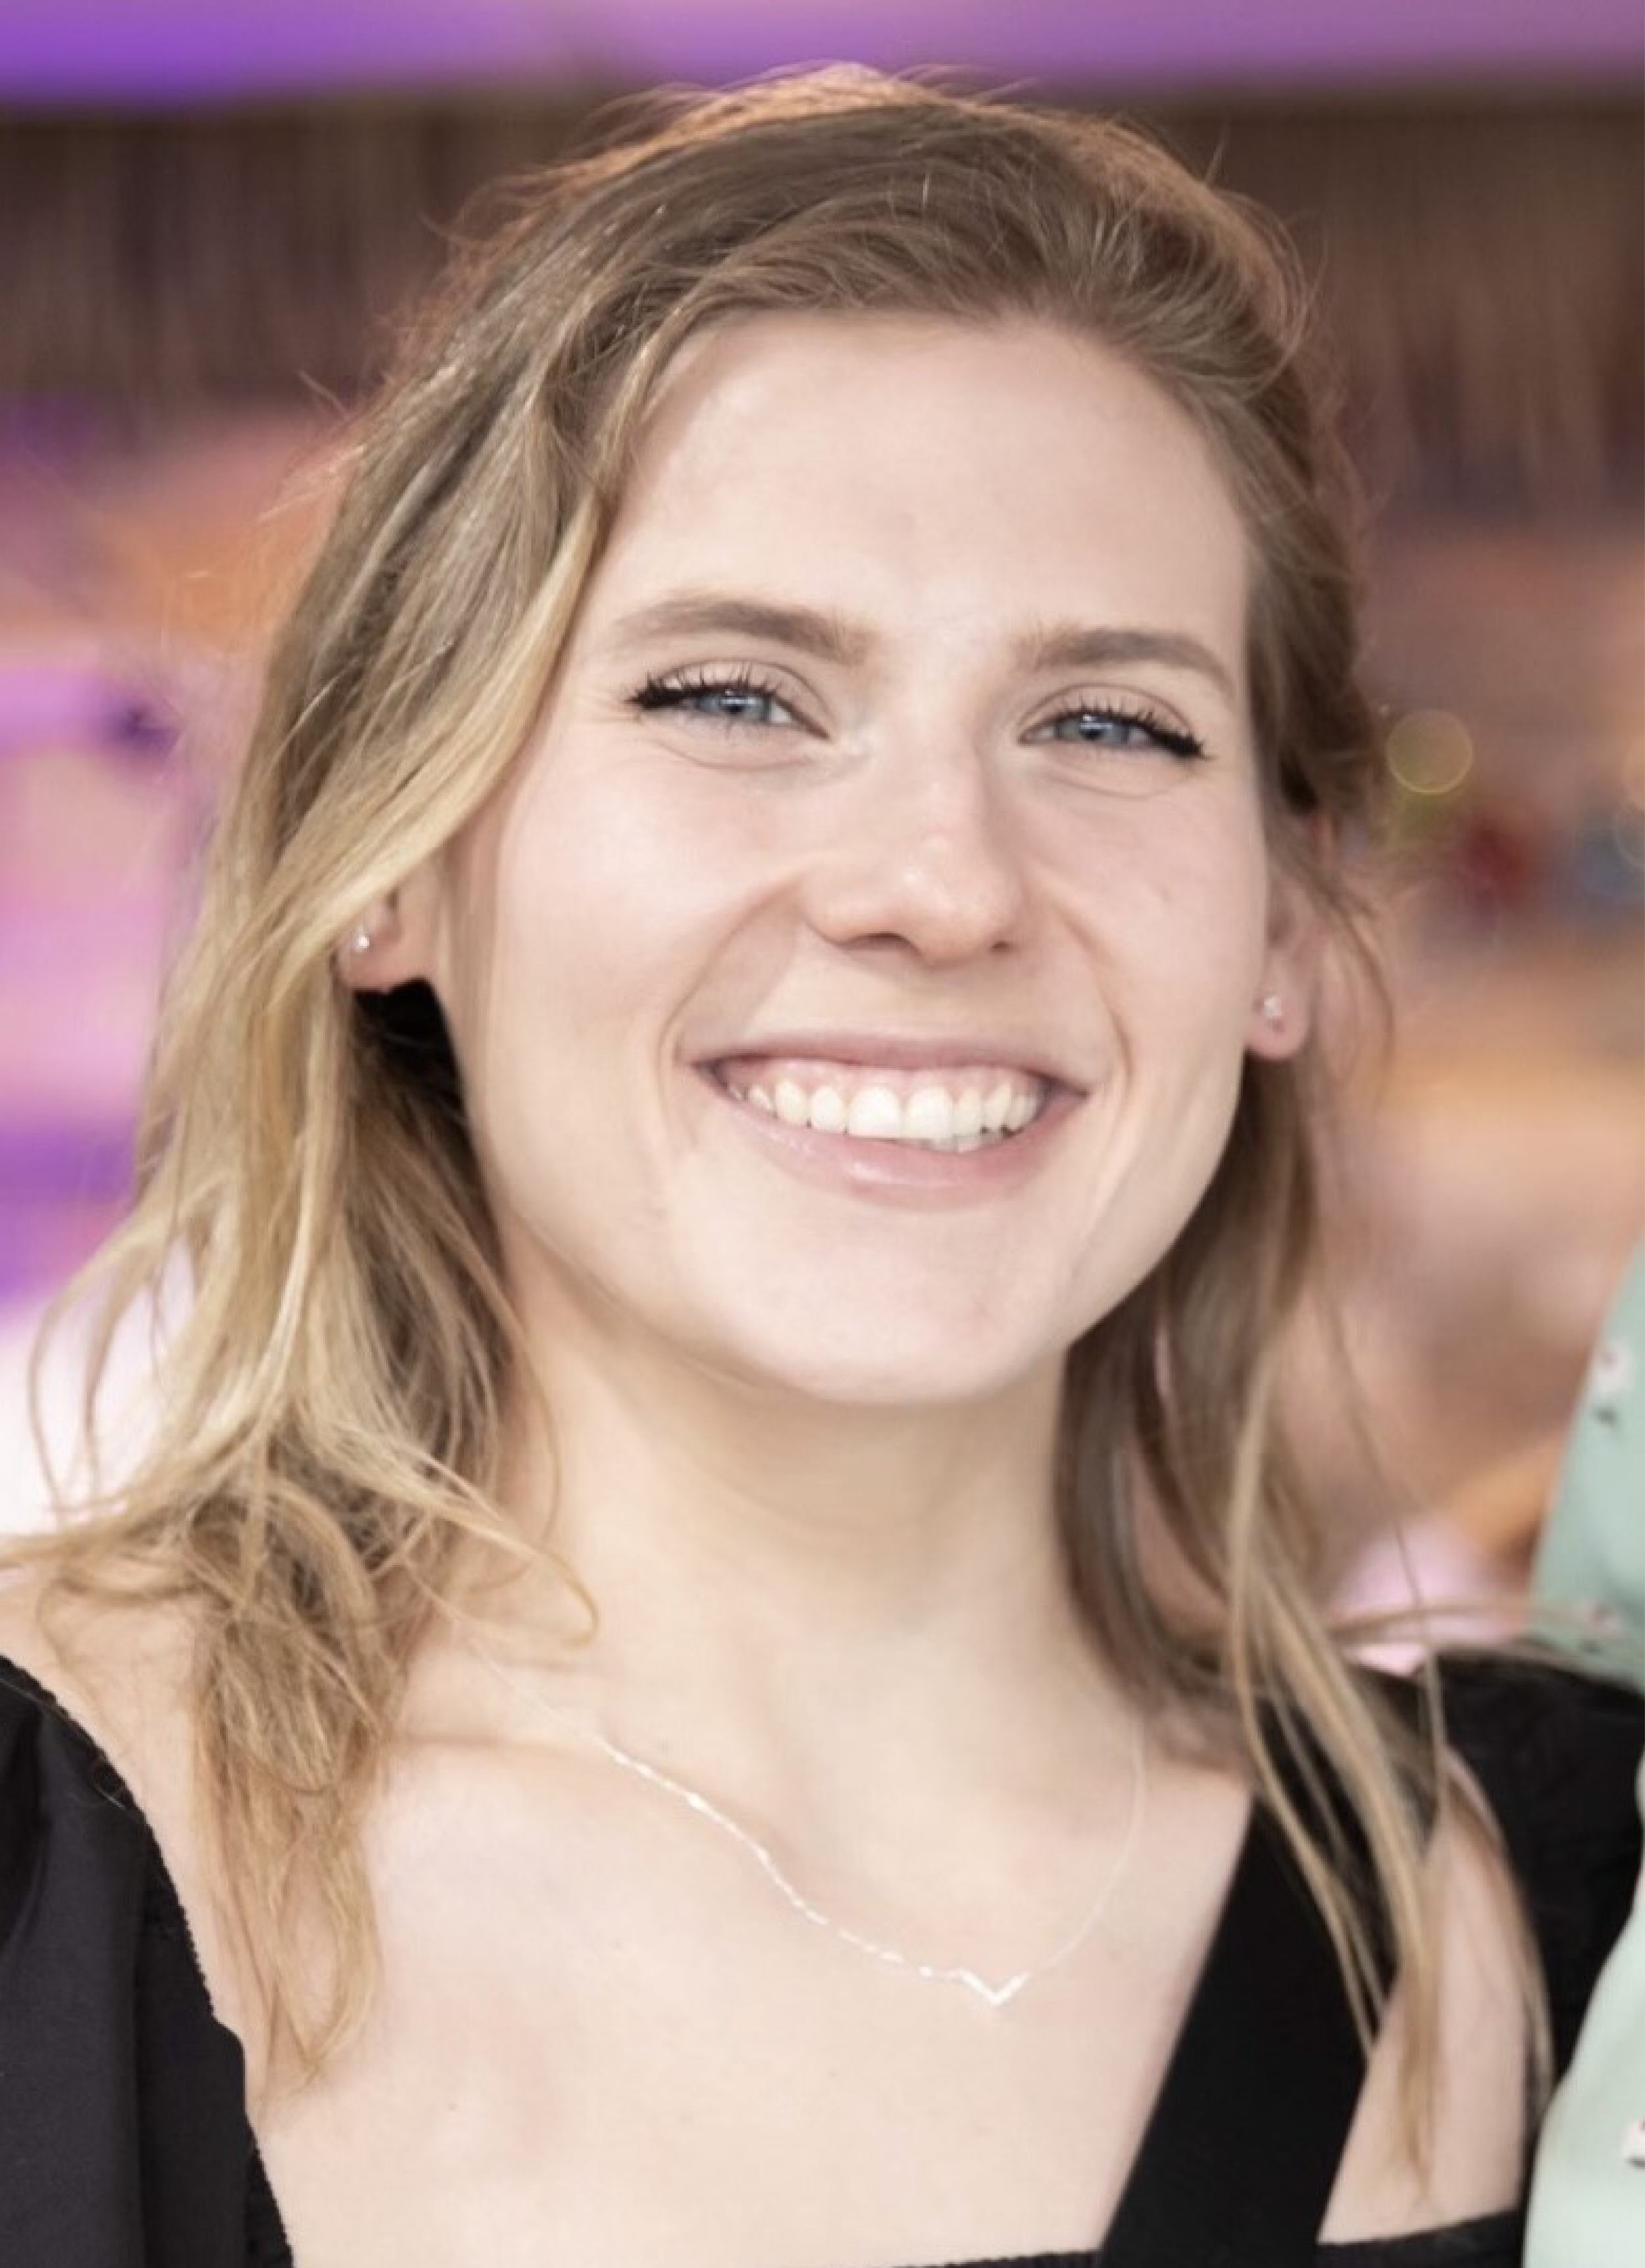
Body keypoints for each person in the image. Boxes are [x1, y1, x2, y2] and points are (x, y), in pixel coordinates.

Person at [0, 69, 1636, 2268]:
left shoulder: (1560, 1920)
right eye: (733, 695)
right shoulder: (45, 1878)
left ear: (1277, 921)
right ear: (389, 855)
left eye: (1110, 723)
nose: (942, 884)